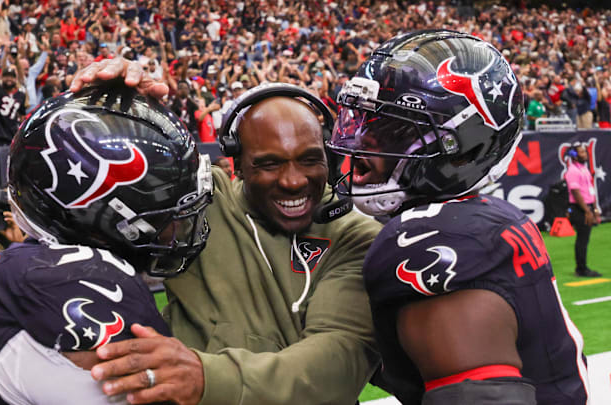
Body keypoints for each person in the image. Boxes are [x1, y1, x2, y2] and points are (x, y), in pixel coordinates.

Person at [70, 60, 381, 405]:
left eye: (310, 160)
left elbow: (335, 363)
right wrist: (114, 110)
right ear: (237, 162)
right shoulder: (198, 202)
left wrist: (204, 378)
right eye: (269, 163)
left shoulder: (355, 235)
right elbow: (97, 195)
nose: (294, 181)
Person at [327, 30, 589, 404]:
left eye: (391, 131)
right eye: (365, 123)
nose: (361, 146)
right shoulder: (483, 219)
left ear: (463, 150)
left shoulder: (430, 240)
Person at [0, 83, 213, 404]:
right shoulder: (85, 280)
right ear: (104, 212)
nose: (174, 230)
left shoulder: (25, 267)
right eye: (165, 216)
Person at [564, 143, 601, 278]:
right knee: (582, 239)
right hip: (580, 208)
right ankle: (581, 268)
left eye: (585, 152)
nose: (585, 154)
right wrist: (587, 210)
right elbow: (575, 191)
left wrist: (595, 208)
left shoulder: (584, 169)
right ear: (574, 155)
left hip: (587, 206)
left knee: (584, 238)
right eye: (582, 152)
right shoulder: (572, 171)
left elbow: (590, 189)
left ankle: (582, 267)